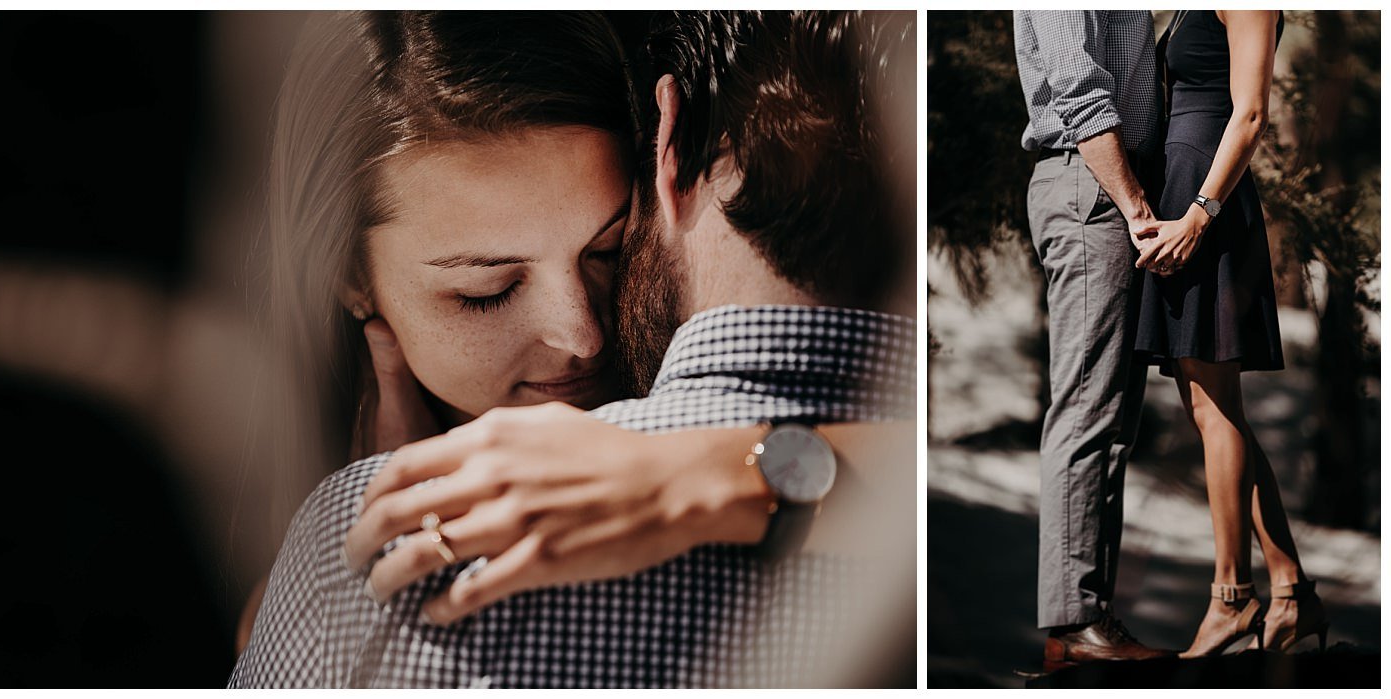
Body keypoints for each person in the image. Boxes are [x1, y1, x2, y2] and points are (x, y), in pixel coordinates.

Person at [232, 10, 914, 687]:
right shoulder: (319, 558)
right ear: (348, 274)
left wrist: (708, 473)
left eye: (610, 250)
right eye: (488, 290)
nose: (582, 333)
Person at [1135, 9, 1327, 657]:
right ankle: (1291, 589)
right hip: (1188, 190)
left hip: (1205, 200)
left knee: (1215, 409)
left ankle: (1231, 596)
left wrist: (1198, 214)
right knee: (1218, 408)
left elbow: (1249, 114)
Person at [1011, 10, 1173, 671]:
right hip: (1092, 181)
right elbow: (1078, 85)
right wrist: (1135, 206)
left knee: (1110, 417)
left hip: (1101, 179)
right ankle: (1076, 619)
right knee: (1086, 410)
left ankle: (1087, 620)